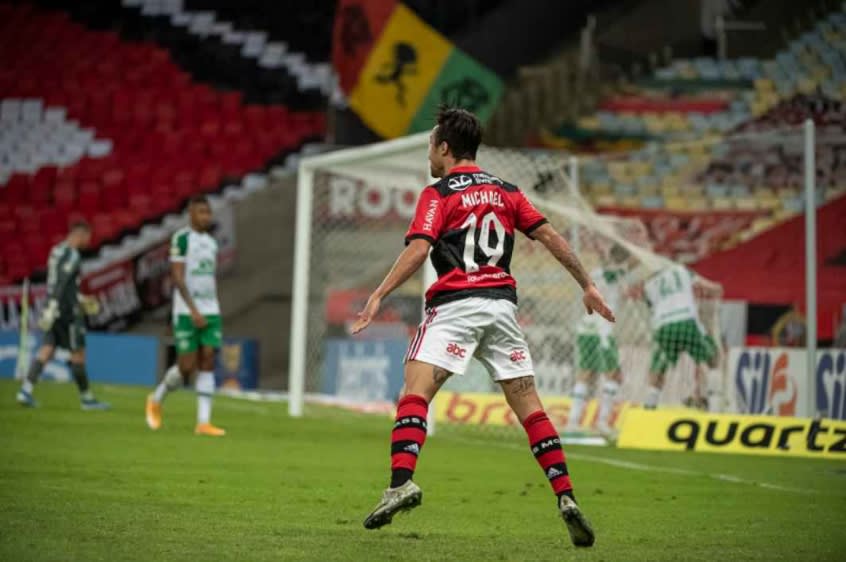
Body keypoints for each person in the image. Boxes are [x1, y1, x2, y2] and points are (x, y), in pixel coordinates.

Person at [352, 107, 614, 547]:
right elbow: (550, 236)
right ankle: (565, 497)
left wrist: (378, 294)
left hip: (455, 305)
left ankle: (400, 484)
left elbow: (420, 249)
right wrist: (587, 283)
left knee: (415, 394)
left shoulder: (438, 194)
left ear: (445, 148)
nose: (429, 155)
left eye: (431, 147)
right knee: (530, 407)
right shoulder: (507, 191)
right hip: (501, 308)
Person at [145, 196, 225, 436]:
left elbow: (208, 277)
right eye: (201, 212)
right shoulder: (181, 239)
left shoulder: (211, 242)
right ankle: (156, 399)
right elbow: (177, 278)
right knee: (186, 366)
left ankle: (203, 422)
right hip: (187, 311)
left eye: (208, 213)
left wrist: (209, 307)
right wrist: (193, 310)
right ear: (190, 214)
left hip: (211, 309)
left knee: (208, 358)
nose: (205, 217)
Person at [16, 221, 110, 410]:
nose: (88, 241)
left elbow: (58, 282)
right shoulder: (72, 255)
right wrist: (59, 305)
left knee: (47, 348)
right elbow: (63, 281)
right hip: (67, 312)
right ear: (80, 235)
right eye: (87, 237)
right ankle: (87, 398)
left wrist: (75, 299)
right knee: (78, 353)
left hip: (54, 307)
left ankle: (25, 390)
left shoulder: (56, 250)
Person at [567, 245, 630, 436]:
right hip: (602, 332)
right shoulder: (615, 275)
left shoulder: (593, 274)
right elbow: (613, 276)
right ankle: (602, 422)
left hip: (586, 328)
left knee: (586, 374)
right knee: (614, 376)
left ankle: (573, 422)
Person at [640, 264, 720, 410]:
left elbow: (649, 305)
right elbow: (707, 286)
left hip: (663, 325)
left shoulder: (648, 283)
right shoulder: (681, 269)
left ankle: (649, 405)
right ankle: (715, 406)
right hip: (685, 320)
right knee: (712, 358)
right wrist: (718, 288)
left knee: (659, 367)